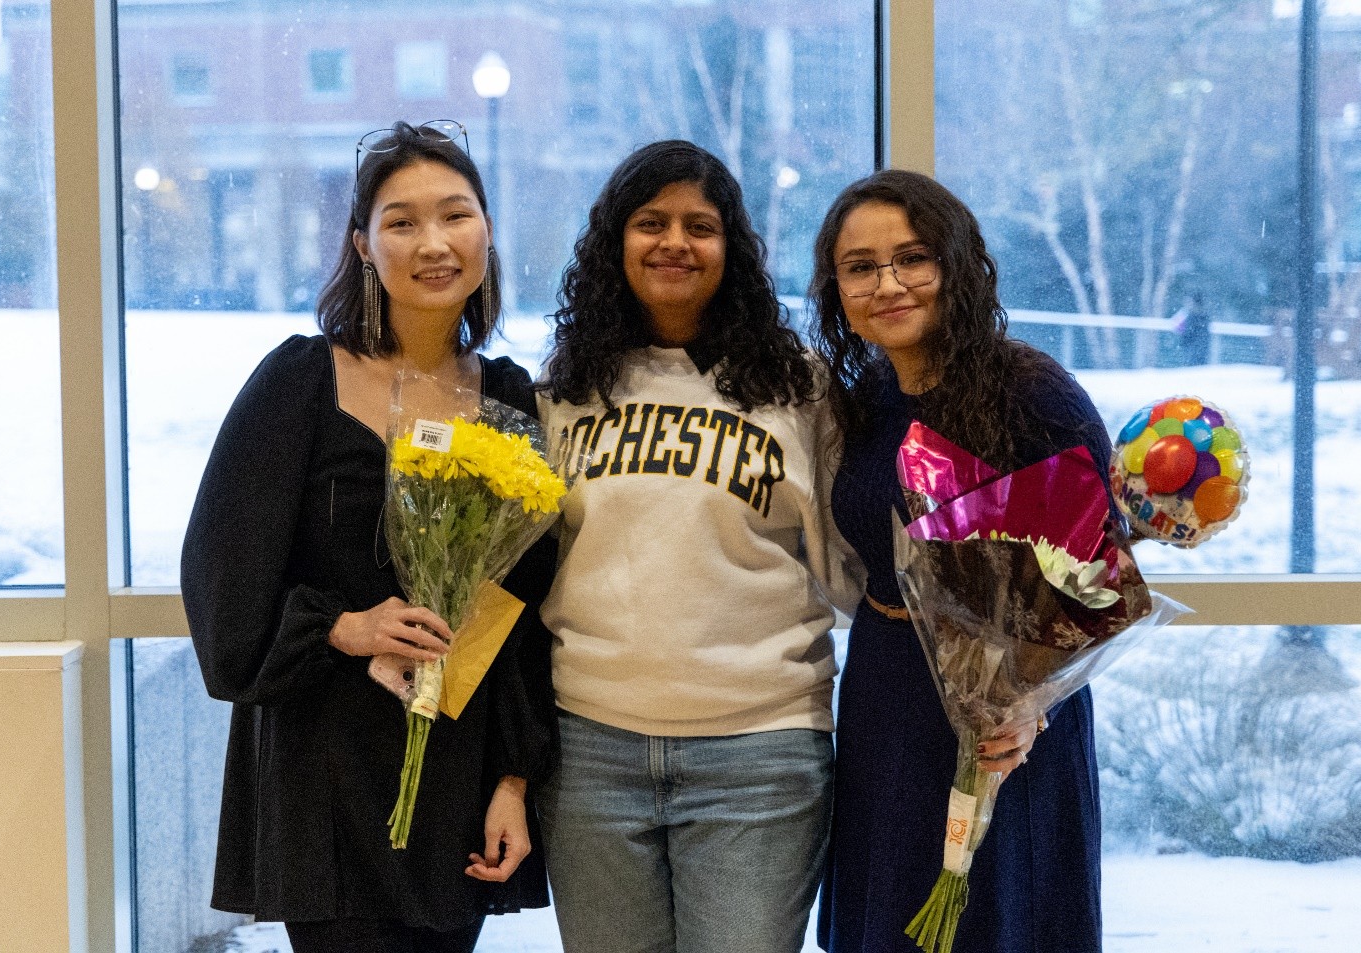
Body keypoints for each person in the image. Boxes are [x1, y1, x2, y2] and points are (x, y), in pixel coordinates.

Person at [180, 121, 555, 953]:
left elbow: (522, 614)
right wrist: (345, 627)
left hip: (452, 770)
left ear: (488, 231)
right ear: (362, 244)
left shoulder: (509, 397)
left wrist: (514, 780)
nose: (434, 243)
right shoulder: (298, 383)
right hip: (325, 767)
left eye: (456, 215)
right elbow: (221, 582)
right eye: (401, 221)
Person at [534, 139, 863, 953]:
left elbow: (855, 569)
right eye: (651, 222)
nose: (674, 242)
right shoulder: (567, 390)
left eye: (699, 225)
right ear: (616, 242)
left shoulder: (800, 385)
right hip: (590, 748)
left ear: (732, 248)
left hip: (760, 754)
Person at [808, 169, 1113, 953]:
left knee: (1002, 913)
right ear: (836, 286)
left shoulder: (1033, 390)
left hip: (1011, 717)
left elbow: (1097, 576)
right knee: (891, 913)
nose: (889, 283)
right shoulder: (865, 398)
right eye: (861, 266)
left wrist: (1030, 701)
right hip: (886, 690)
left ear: (955, 264)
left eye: (912, 257)